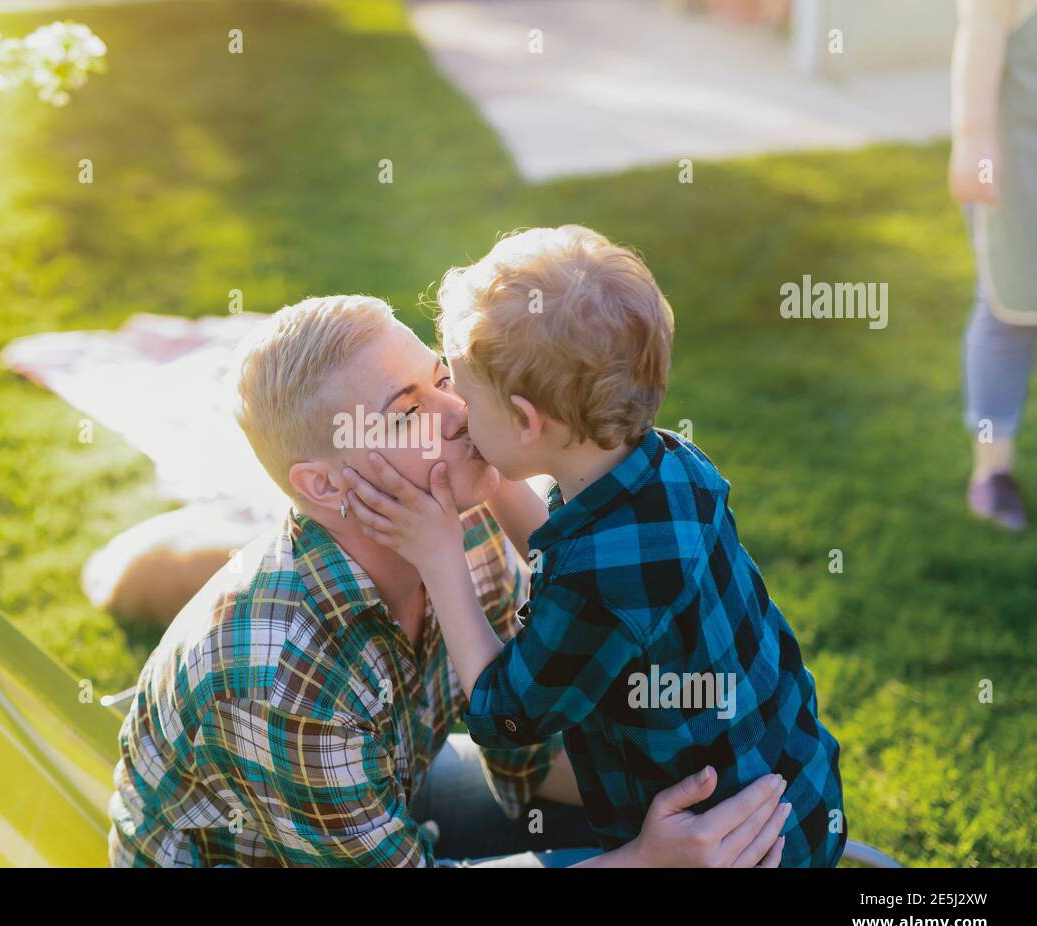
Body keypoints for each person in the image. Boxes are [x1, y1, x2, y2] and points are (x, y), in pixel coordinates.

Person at [107, 293, 790, 867]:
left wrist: (700, 788)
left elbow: (522, 745)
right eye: (408, 411)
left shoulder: (463, 520)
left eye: (442, 378)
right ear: (322, 484)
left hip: (392, 788)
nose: (460, 412)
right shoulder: (281, 677)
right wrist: (643, 860)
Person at [342, 227, 845, 866]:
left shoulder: (606, 580)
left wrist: (441, 559)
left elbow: (506, 715)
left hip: (725, 849)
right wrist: (494, 479)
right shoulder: (663, 465)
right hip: (792, 783)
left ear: (527, 422)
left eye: (464, 398)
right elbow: (563, 552)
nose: (455, 416)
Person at [952, 0, 1037, 529]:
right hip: (1020, 166)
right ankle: (991, 472)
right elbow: (980, 37)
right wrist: (973, 140)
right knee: (1011, 308)